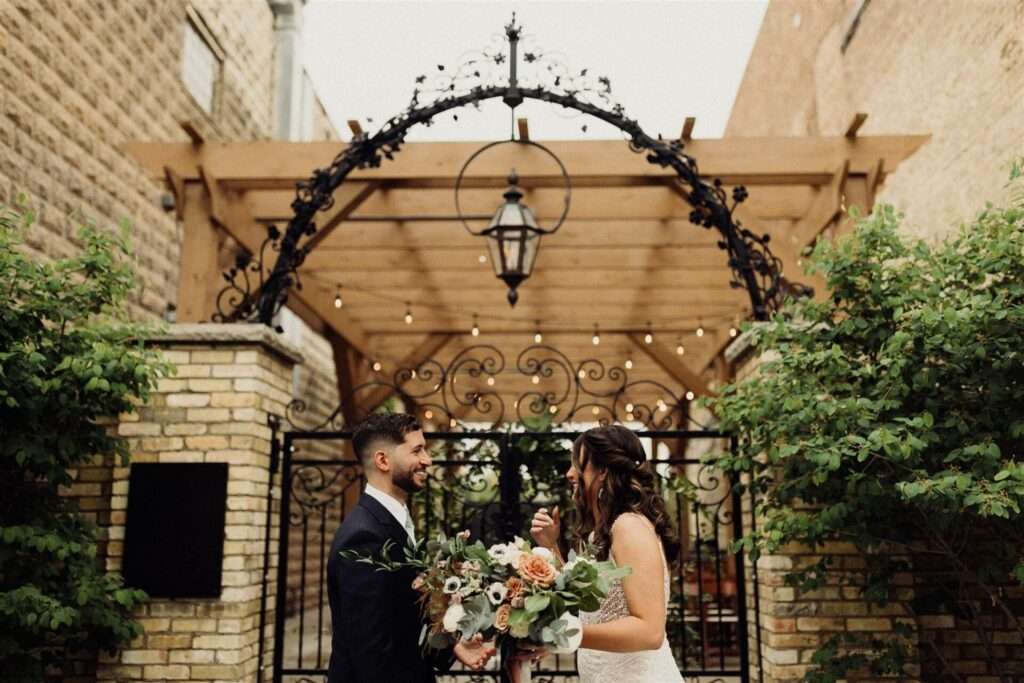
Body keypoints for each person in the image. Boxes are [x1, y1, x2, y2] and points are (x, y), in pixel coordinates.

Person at [326, 412, 496, 683]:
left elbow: (402, 621)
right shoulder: (363, 536)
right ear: (383, 460)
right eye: (417, 450)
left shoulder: (395, 521)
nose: (427, 460)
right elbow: (371, 652)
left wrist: (452, 646)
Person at [525, 424, 684, 683]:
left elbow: (650, 631)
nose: (569, 474)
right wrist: (550, 544)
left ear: (603, 471)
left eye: (578, 464)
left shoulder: (629, 527)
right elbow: (590, 607)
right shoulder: (604, 531)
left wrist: (565, 634)